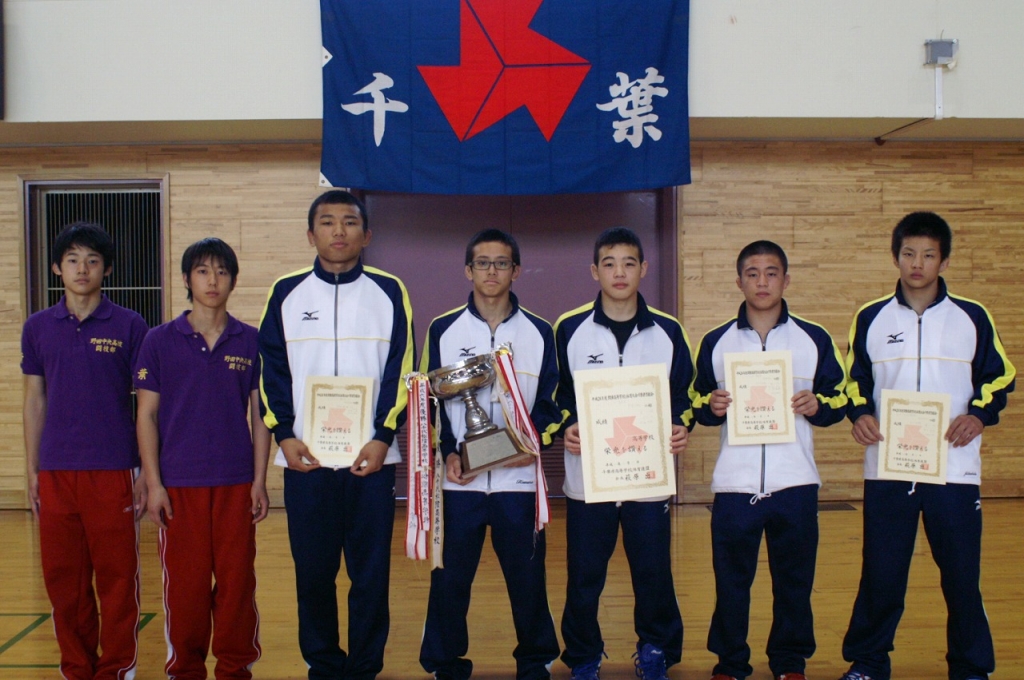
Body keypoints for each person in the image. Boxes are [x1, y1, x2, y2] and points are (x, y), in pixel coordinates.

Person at [837, 212, 1016, 680]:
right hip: (888, 468)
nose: (918, 264)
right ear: (895, 257)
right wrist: (860, 414)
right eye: (909, 253)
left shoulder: (972, 317)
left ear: (944, 260)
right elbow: (853, 380)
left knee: (961, 575)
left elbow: (1001, 376)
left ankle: (971, 667)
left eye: (929, 255)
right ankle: (869, 663)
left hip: (954, 470)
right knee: (882, 572)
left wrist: (978, 415)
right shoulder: (871, 317)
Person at [258, 189, 414, 680]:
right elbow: (271, 370)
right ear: (311, 235)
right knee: (313, 574)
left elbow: (402, 368)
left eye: (349, 222)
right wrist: (284, 434)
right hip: (306, 461)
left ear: (366, 234)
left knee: (370, 574)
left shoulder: (389, 290)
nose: (339, 231)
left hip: (371, 460)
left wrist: (383, 435)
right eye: (327, 222)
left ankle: (365, 668)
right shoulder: (286, 292)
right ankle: (324, 666)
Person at [689, 241, 848, 680]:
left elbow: (841, 398)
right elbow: (695, 402)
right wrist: (711, 406)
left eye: (771, 273)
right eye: (753, 273)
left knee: (794, 581)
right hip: (735, 484)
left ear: (786, 280)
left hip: (795, 482)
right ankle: (730, 662)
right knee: (731, 582)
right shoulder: (716, 341)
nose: (762, 282)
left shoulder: (814, 339)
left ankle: (790, 662)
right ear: (739, 281)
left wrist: (818, 405)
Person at [418, 229, 562, 680]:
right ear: (468, 270)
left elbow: (553, 404)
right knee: (449, 579)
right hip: (460, 481)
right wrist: (447, 453)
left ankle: (535, 662)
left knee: (527, 579)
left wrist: (530, 445)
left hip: (518, 481)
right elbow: (427, 403)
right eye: (483, 262)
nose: (492, 271)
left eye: (501, 263)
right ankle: (445, 664)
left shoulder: (540, 332)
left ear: (516, 271)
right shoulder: (443, 329)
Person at [554, 227, 693, 680]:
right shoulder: (569, 328)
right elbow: (554, 396)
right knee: (584, 577)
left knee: (653, 573)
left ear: (643, 269)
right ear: (595, 271)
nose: (619, 272)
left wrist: (681, 425)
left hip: (647, 480)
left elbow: (685, 394)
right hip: (588, 480)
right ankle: (583, 657)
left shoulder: (668, 331)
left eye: (629, 263)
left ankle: (656, 651)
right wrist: (566, 426)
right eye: (609, 263)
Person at [135, 237, 269, 679]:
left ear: (233, 280)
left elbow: (260, 416)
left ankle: (234, 669)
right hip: (179, 487)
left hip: (235, 483)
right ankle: (185, 669)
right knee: (186, 589)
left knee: (237, 585)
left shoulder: (250, 341)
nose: (213, 281)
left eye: (222, 272)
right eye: (203, 271)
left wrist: (259, 481)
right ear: (186, 279)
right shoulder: (158, 341)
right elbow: (146, 415)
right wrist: (154, 484)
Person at [21, 222, 148, 680]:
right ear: (57, 268)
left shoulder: (130, 325)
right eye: (72, 260)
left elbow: (148, 403)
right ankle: (76, 667)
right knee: (64, 581)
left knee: (117, 578)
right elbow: (34, 400)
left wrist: (145, 471)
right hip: (56, 471)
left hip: (113, 469)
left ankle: (117, 668)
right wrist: (32, 470)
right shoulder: (37, 327)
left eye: (92, 261)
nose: (82, 269)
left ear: (106, 269)